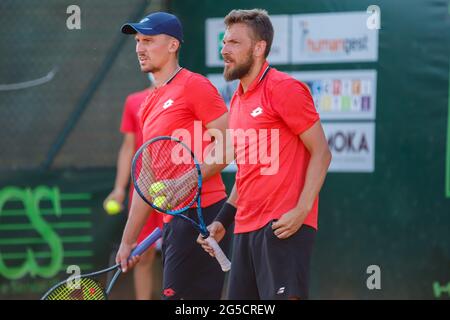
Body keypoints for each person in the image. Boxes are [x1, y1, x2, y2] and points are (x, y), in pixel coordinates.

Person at [198, 9, 332, 300]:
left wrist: (301, 210)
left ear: (259, 48)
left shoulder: (284, 89)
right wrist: (223, 219)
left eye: (234, 43)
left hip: (282, 227)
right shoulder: (237, 100)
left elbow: (321, 152)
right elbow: (247, 172)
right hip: (245, 229)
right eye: (224, 43)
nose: (224, 50)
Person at [115, 11, 233, 300]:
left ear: (172, 45)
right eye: (138, 41)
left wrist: (187, 180)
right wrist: (128, 241)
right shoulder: (148, 104)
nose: (140, 48)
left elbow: (230, 144)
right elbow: (146, 179)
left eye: (148, 40)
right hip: (174, 221)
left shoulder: (195, 85)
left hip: (204, 214)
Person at [104, 74, 163, 300]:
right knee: (143, 256)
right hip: (143, 191)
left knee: (181, 255)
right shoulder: (133, 101)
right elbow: (128, 147)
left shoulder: (184, 99)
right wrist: (119, 188)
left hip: (175, 190)